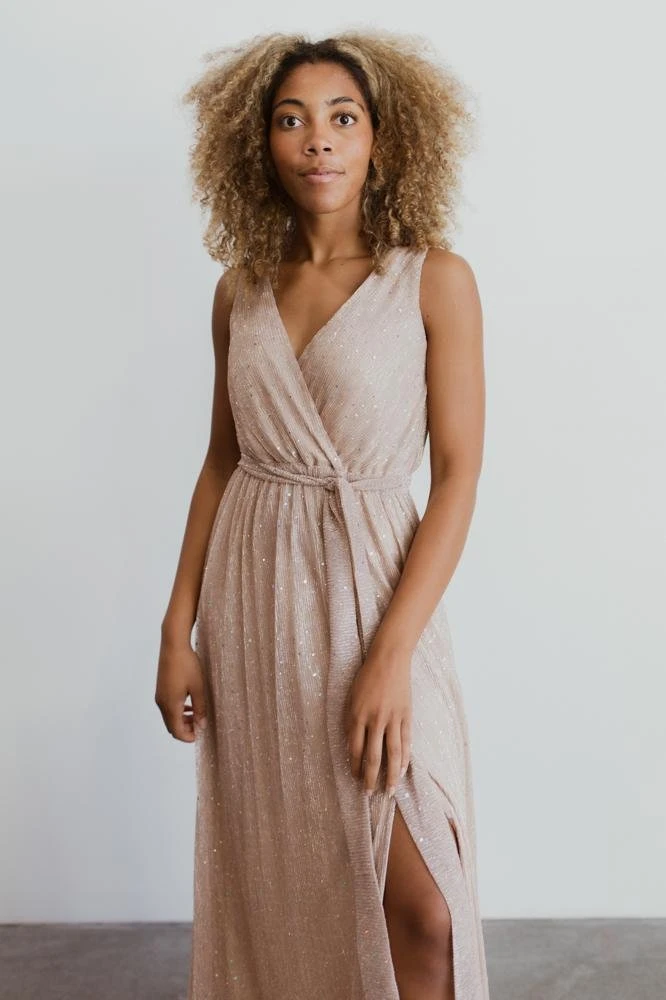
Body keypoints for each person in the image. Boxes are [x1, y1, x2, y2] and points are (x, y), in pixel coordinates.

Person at [155, 28, 489, 1000]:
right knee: (300, 872)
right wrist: (177, 631)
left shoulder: (434, 278)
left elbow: (459, 475)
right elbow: (223, 462)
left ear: (383, 137)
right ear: (258, 143)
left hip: (381, 593)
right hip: (257, 604)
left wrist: (392, 655)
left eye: (343, 118)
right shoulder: (240, 290)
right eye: (292, 120)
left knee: (423, 908)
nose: (319, 140)